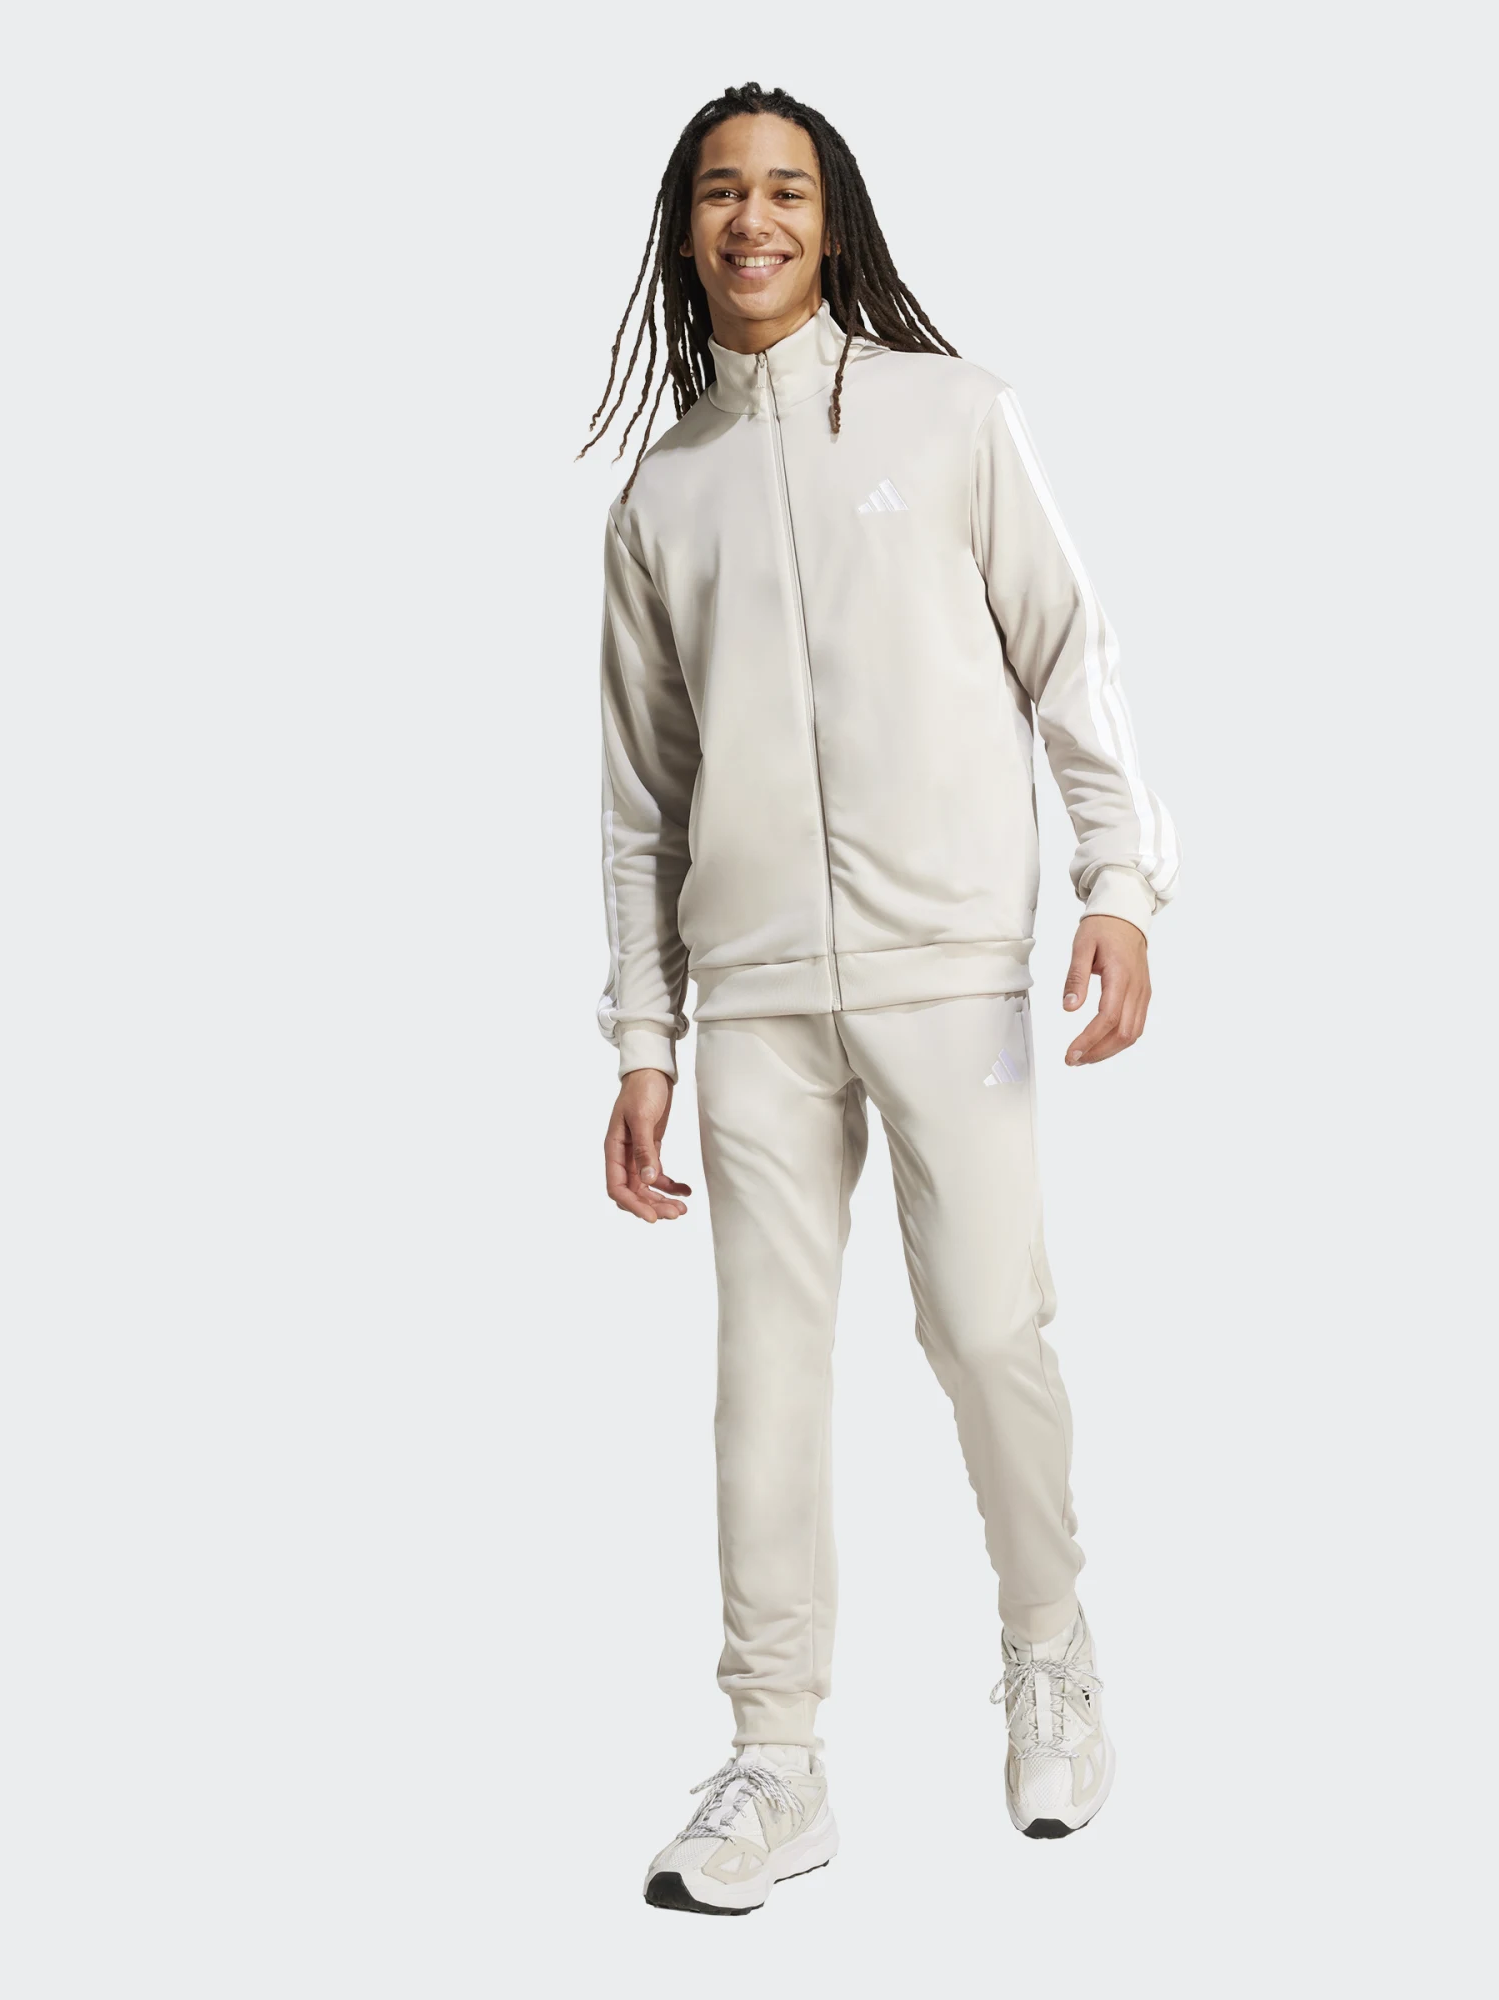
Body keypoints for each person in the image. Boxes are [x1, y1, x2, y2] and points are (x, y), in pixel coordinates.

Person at [583, 81, 1177, 1915]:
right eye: (720, 193)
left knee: (989, 1329)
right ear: (685, 230)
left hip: (948, 973)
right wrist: (642, 1036)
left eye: (785, 190)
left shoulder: (953, 415)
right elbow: (641, 798)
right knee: (762, 1378)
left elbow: (1071, 654)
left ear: (830, 220)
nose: (752, 220)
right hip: (754, 998)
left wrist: (1121, 883)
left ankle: (1051, 1652)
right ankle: (776, 1761)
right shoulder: (661, 495)